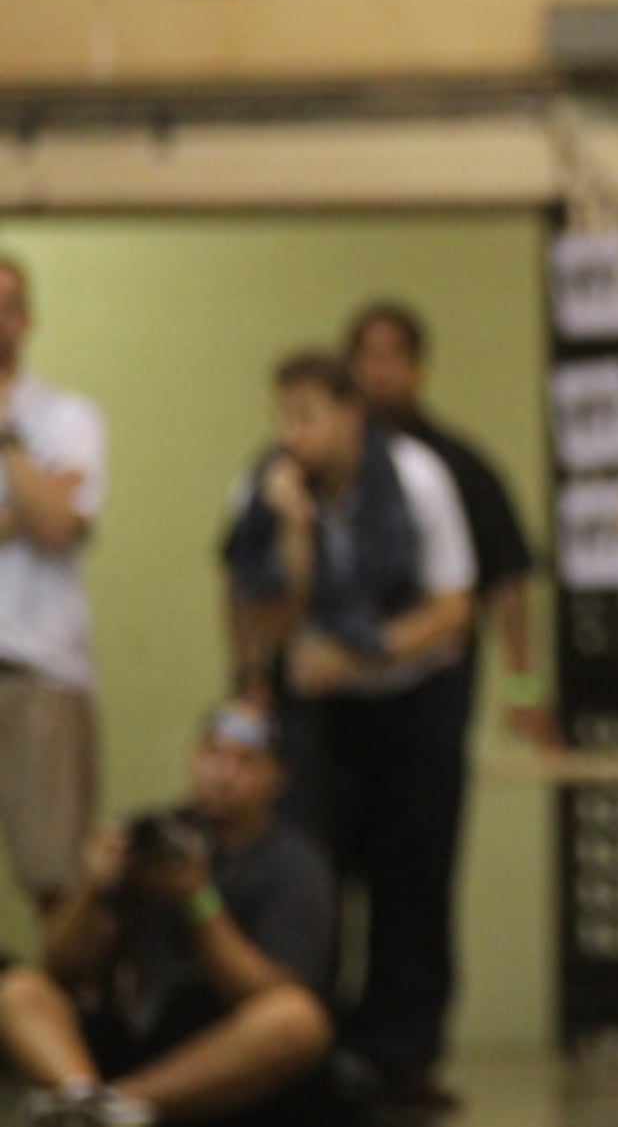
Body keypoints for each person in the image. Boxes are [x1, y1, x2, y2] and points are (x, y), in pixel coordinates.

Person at [216, 353, 475, 1119]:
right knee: (312, 873)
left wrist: (365, 654)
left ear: (349, 415)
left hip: (411, 698)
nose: (291, 432)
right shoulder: (263, 489)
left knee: (412, 884)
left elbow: (454, 606)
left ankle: (403, 1058)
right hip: (316, 709)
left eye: (307, 414)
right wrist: (292, 534)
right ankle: (310, 1055)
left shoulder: (418, 477)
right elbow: (261, 611)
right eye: (282, 415)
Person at [0, 701, 336, 1126]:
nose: (223, 774)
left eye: (244, 762)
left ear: (277, 777)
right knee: (19, 989)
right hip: (130, 1034)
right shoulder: (150, 836)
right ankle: (86, 1100)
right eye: (213, 754)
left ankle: (109, 1109)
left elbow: (268, 994)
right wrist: (90, 887)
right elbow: (59, 966)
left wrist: (198, 901)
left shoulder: (294, 864)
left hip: (215, 1047)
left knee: (297, 1020)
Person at [345, 301, 551, 748]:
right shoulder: (321, 467)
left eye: (393, 356)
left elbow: (507, 581)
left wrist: (523, 688)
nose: (380, 373)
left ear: (418, 368)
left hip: (436, 686)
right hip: (341, 685)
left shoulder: (459, 466)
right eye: (369, 357)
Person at [0, 257, 109, 921]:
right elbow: (43, 513)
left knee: (55, 874)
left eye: (6, 304)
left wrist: (8, 434)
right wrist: (35, 500)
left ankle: (67, 992)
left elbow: (60, 527)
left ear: (26, 318)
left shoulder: (69, 417)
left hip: (40, 668)